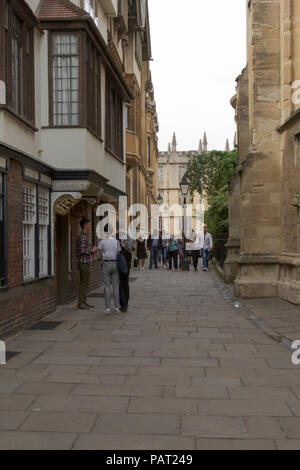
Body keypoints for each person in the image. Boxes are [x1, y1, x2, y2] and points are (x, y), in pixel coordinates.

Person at [98, 225, 121, 314]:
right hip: (115, 263)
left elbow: (100, 255)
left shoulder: (102, 242)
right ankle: (117, 307)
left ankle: (107, 308)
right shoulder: (116, 242)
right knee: (116, 286)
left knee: (107, 286)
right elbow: (118, 252)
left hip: (106, 264)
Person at [76, 218, 98, 310]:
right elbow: (82, 250)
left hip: (86, 262)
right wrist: (92, 250)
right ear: (84, 225)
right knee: (84, 284)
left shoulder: (85, 236)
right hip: (84, 263)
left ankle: (83, 302)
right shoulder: (83, 237)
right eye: (89, 224)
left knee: (84, 283)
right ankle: (81, 303)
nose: (90, 226)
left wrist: (91, 249)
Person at [117, 230, 135, 313]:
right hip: (128, 260)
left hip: (121, 261)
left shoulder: (117, 237)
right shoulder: (130, 236)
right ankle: (126, 303)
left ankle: (123, 304)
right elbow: (133, 247)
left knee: (121, 282)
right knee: (126, 282)